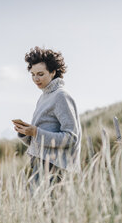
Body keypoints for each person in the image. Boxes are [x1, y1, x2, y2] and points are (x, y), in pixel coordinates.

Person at [12, 46, 82, 185]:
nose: (36, 79)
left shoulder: (61, 96)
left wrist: (36, 132)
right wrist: (26, 133)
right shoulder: (44, 97)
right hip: (39, 164)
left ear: (53, 72)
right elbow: (41, 140)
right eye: (32, 74)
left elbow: (71, 137)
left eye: (40, 74)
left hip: (55, 168)